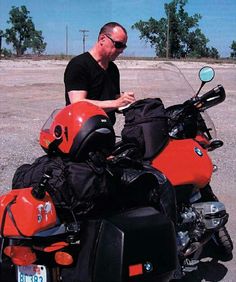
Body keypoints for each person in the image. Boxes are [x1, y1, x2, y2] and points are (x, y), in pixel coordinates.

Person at [64, 22, 135, 124]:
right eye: (118, 45)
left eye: (124, 46)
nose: (121, 50)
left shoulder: (113, 69)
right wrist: (116, 103)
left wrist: (124, 101)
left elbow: (112, 103)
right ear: (102, 39)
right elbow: (78, 104)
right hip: (81, 133)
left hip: (106, 130)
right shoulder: (79, 65)